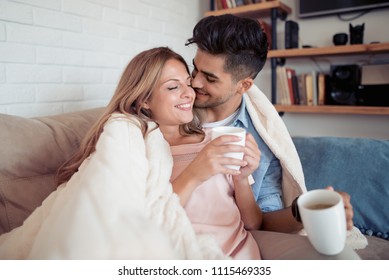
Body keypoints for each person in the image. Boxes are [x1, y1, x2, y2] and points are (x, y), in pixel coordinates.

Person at [0, 47, 260, 260]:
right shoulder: (136, 146)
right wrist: (194, 174)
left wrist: (242, 177)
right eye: (172, 87)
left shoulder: (217, 141)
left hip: (242, 257)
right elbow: (137, 220)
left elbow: (253, 223)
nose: (188, 93)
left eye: (187, 83)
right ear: (144, 100)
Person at [184, 14, 355, 235]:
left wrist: (309, 209)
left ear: (244, 85)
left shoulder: (262, 140)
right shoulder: (172, 109)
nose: (195, 82)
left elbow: (262, 221)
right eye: (195, 69)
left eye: (210, 78)